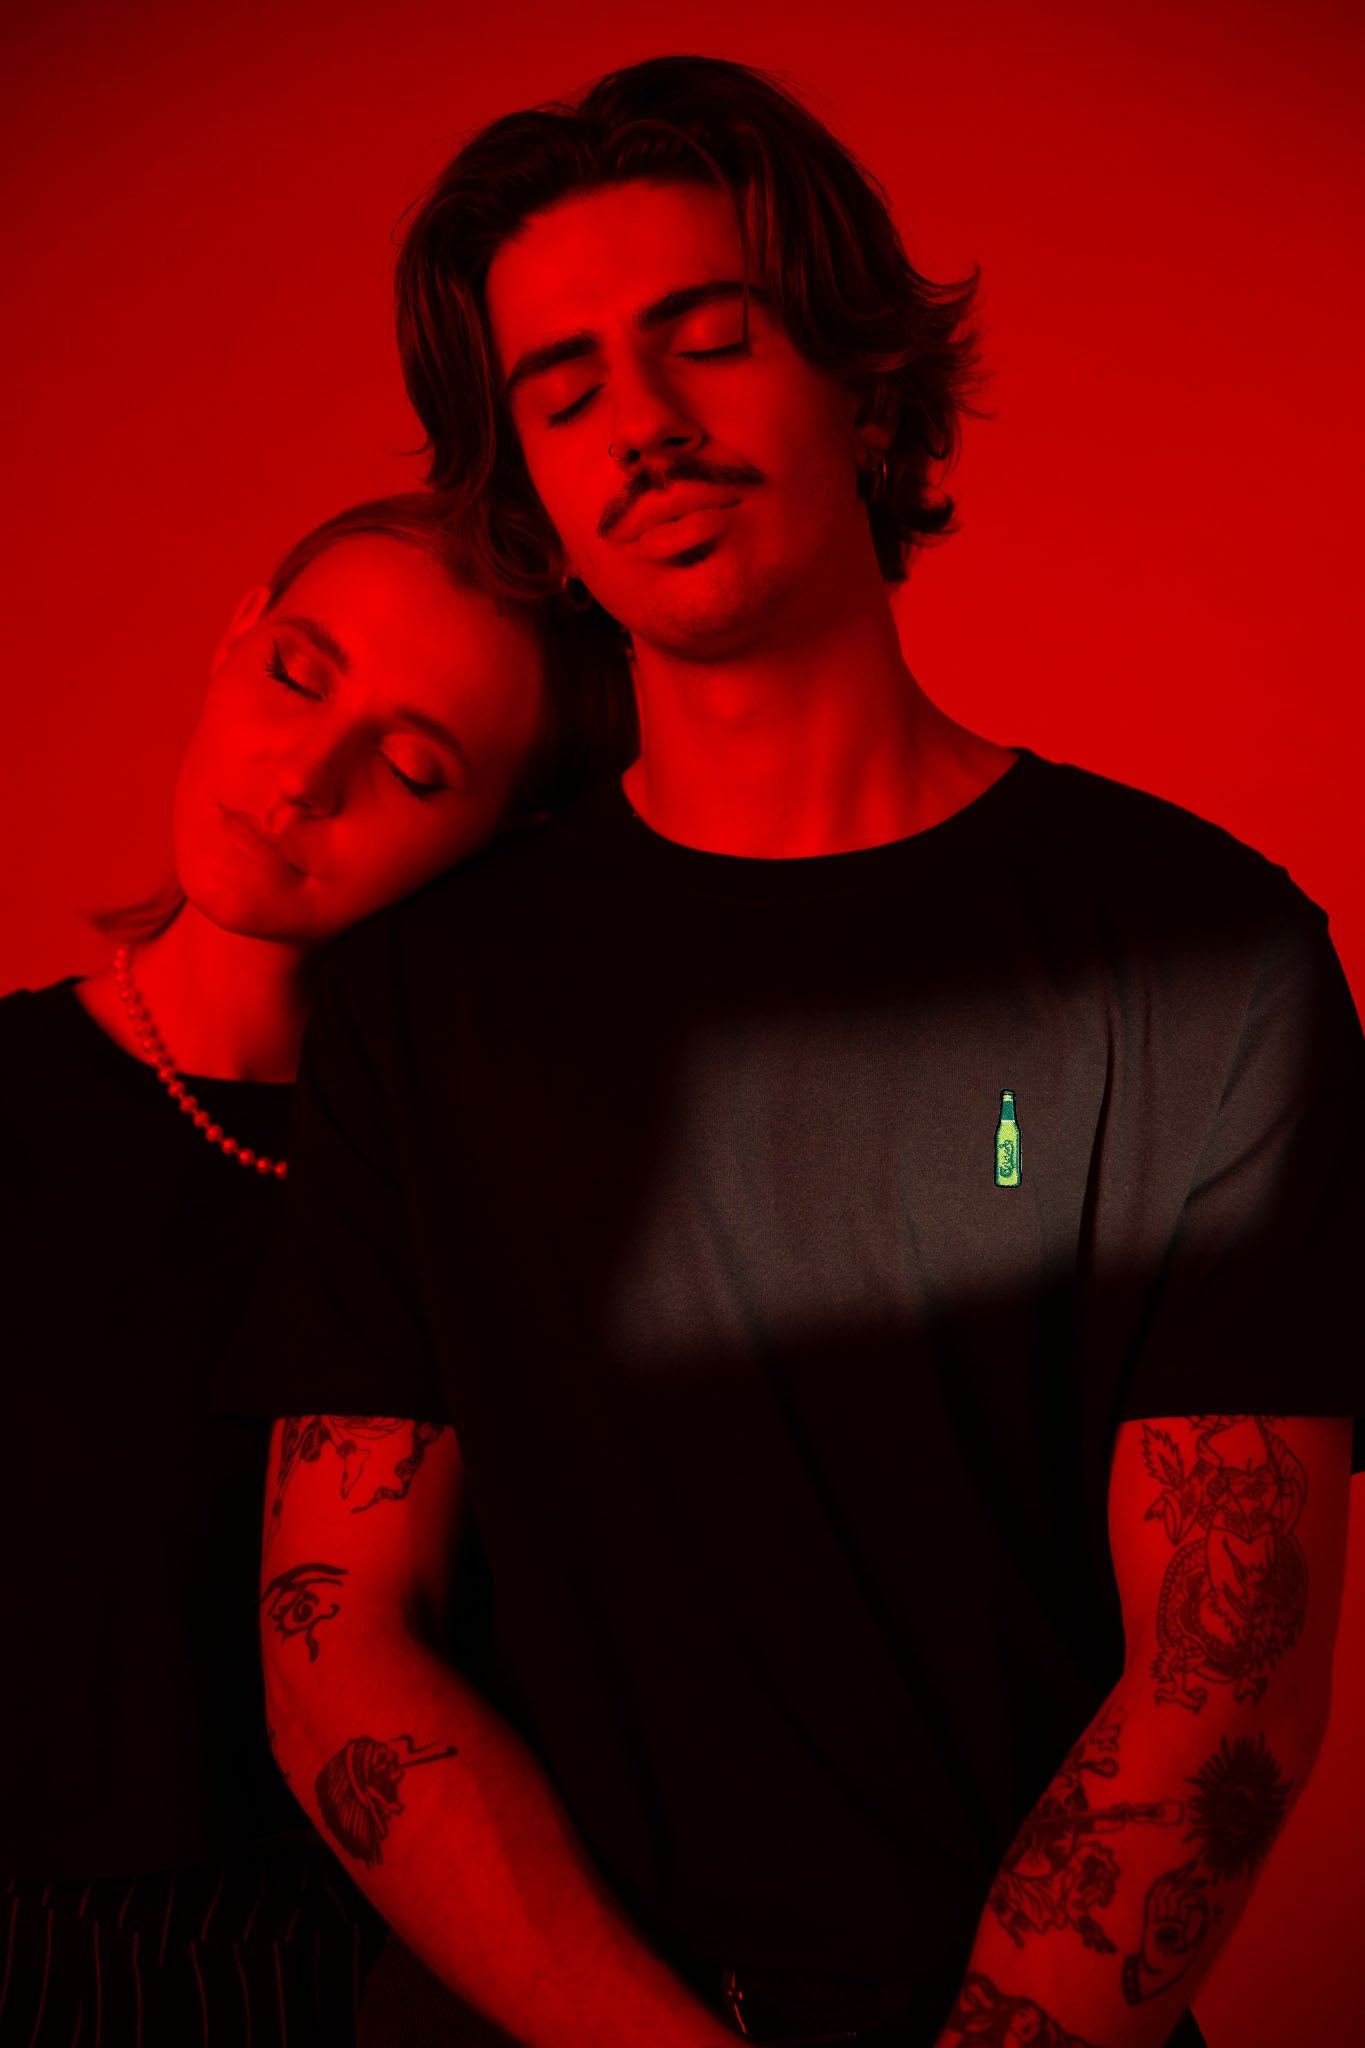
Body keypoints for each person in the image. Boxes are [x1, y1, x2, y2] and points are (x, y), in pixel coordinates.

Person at [247, 56, 1362, 2048]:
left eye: (708, 338)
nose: (644, 426)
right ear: (530, 494)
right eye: (563, 391)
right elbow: (339, 1642)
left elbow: (1226, 1678)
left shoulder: (1206, 957)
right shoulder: (418, 1000)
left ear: (862, 380)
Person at [0, 489, 630, 2046]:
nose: (302, 777)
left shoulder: (531, 1186)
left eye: (414, 767)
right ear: (235, 636)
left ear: (507, 835)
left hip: (428, 1970)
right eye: (297, 673)